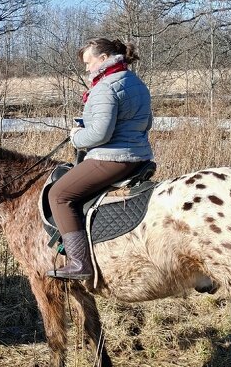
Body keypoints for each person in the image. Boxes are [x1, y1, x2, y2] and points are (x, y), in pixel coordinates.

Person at [47, 38, 153, 281]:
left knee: (59, 195)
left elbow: (99, 134)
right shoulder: (135, 82)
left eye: (89, 62)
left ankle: (78, 263)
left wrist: (76, 136)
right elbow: (146, 123)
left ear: (103, 59)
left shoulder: (106, 87)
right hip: (139, 155)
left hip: (113, 158)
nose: (86, 68)